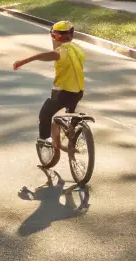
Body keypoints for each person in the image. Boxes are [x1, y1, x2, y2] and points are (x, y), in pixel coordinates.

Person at [12, 20, 85, 160]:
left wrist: (22, 62)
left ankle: (45, 140)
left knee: (45, 114)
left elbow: (43, 56)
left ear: (55, 36)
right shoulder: (78, 50)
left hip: (63, 92)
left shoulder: (60, 52)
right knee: (69, 114)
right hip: (79, 92)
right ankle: (71, 135)